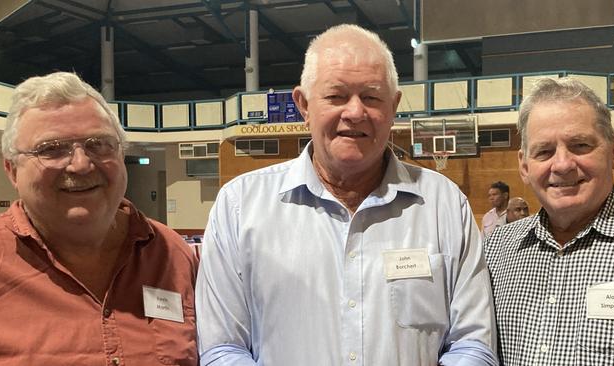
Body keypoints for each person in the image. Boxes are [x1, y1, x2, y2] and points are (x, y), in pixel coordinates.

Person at [195, 24, 497, 366]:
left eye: (371, 97)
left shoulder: (444, 205)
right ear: (304, 104)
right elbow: (222, 349)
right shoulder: (239, 207)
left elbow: (473, 344)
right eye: (336, 96)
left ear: (394, 105)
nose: (355, 112)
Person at [0, 72, 198, 365]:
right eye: (51, 149)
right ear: (12, 170)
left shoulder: (171, 254)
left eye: (98, 144)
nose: (80, 164)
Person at [485, 77, 614, 365]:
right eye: (544, 151)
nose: (562, 165)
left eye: (580, 145)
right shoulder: (496, 250)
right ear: (524, 166)